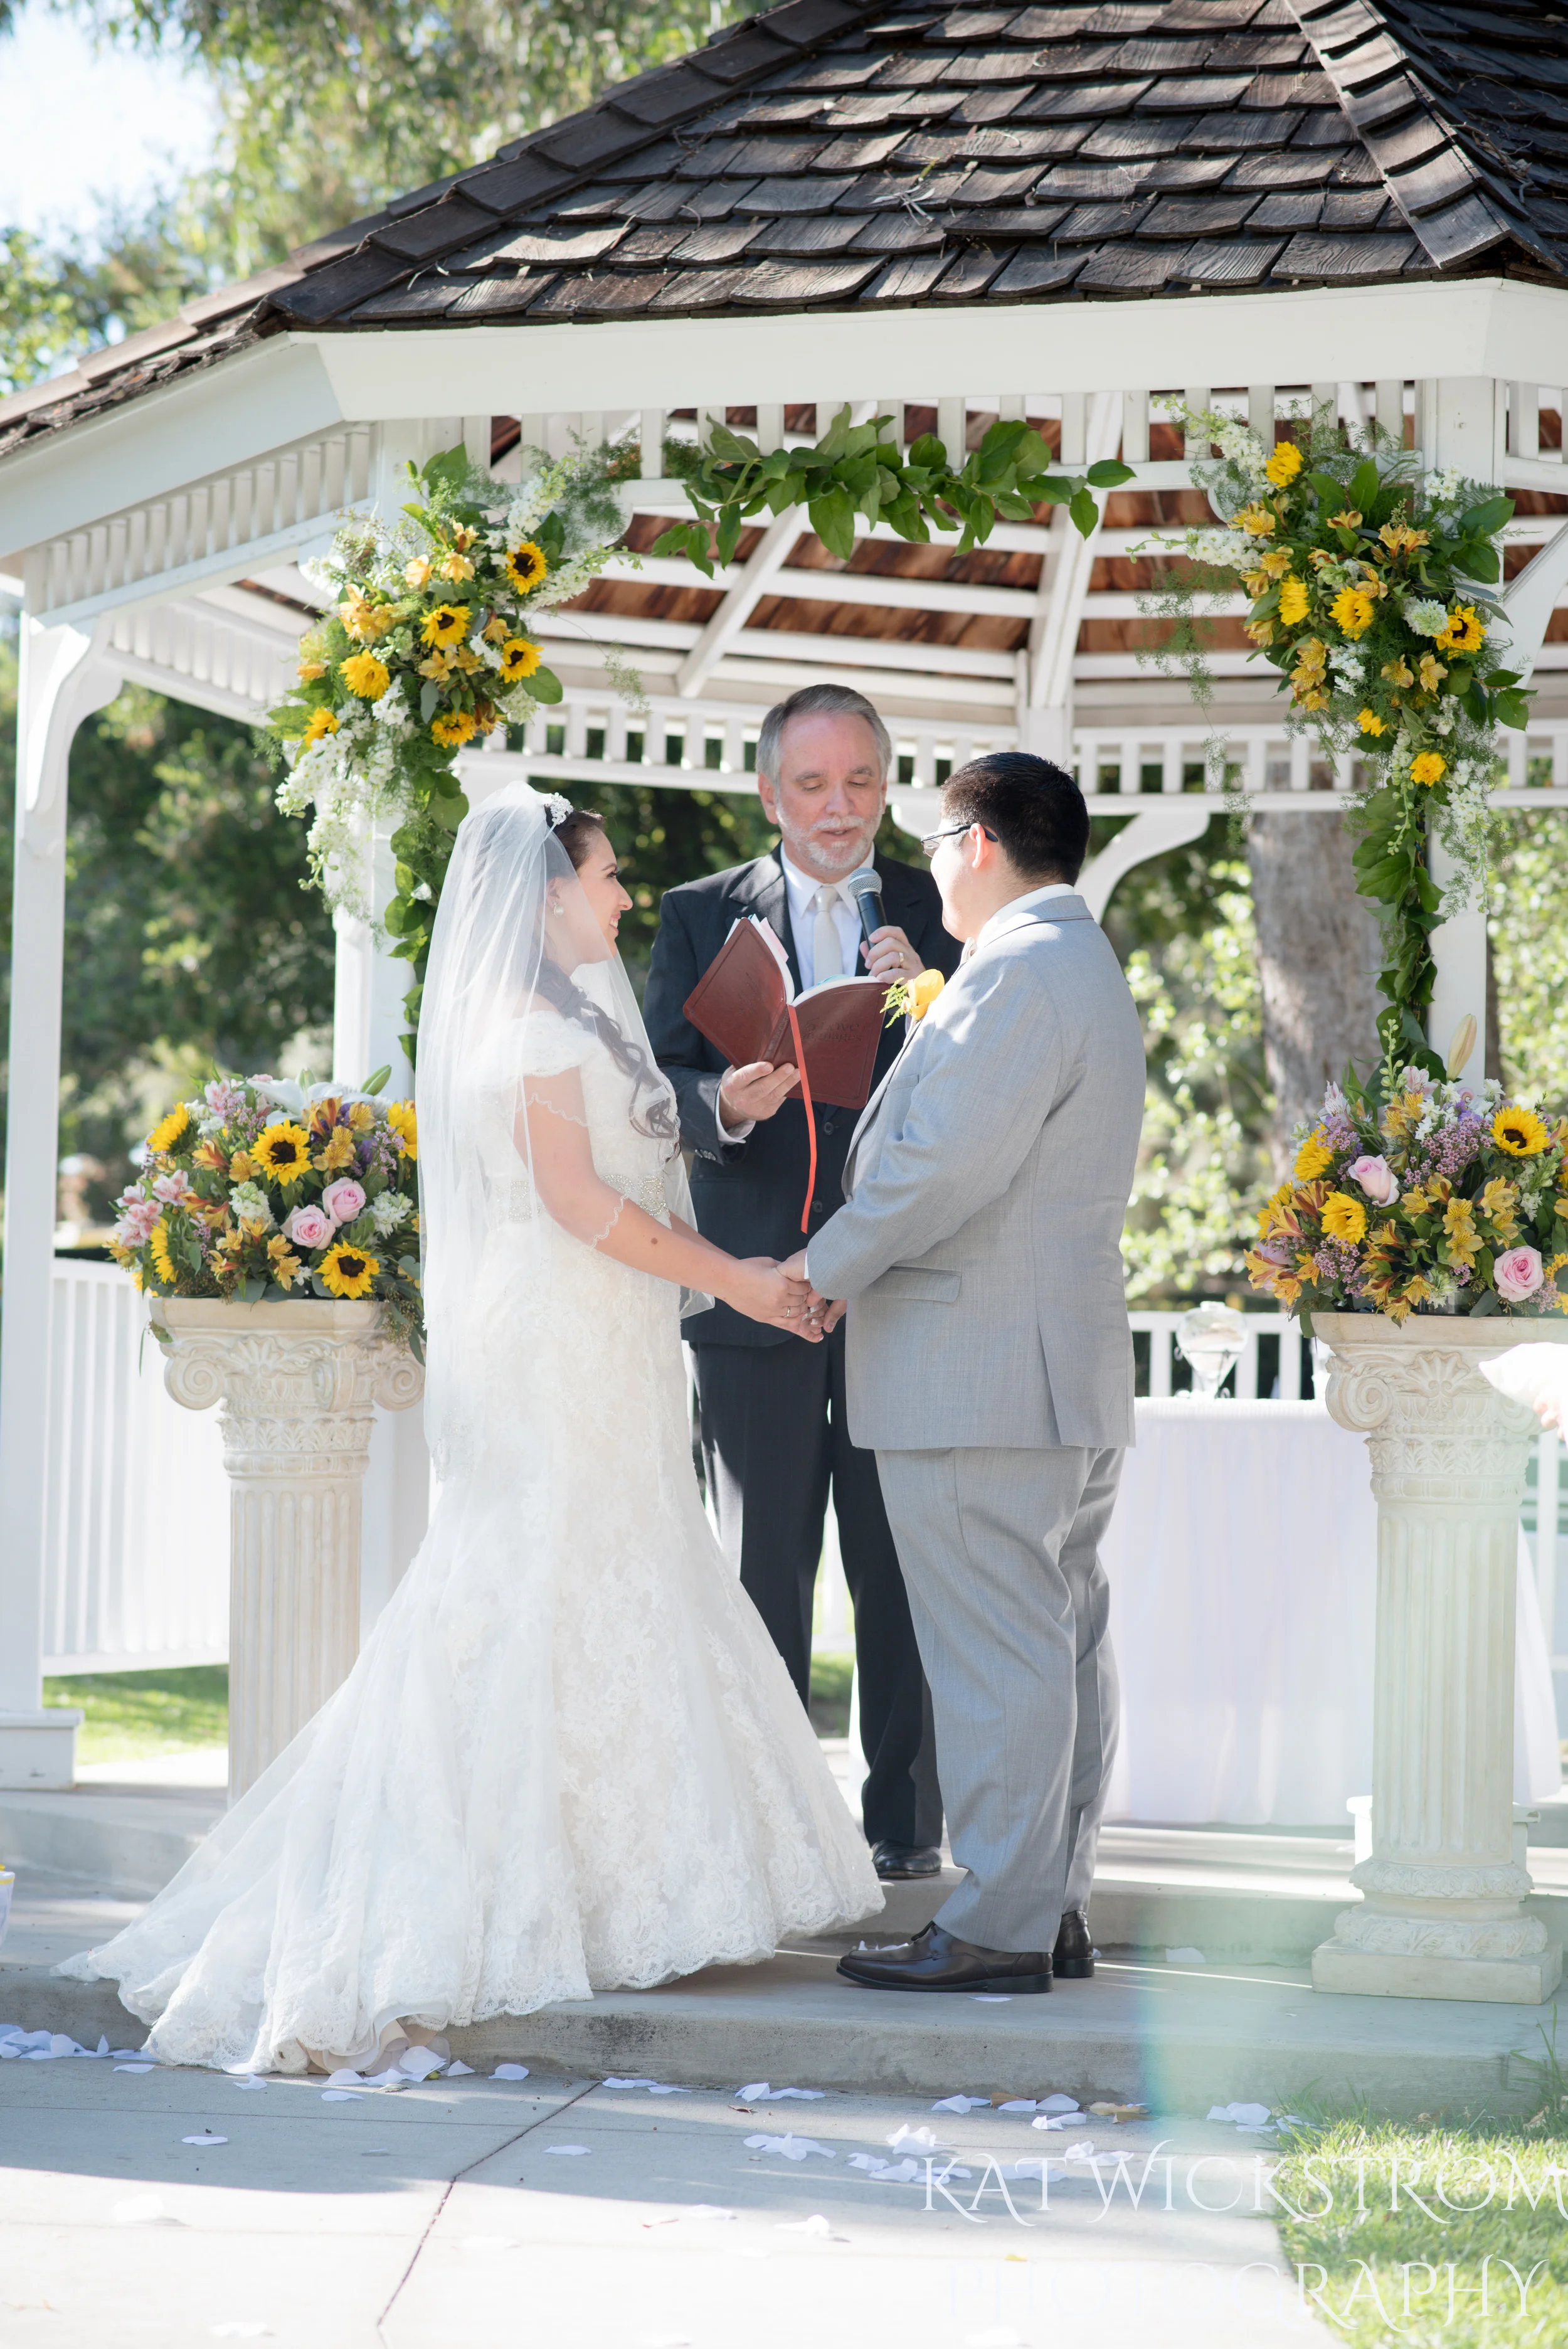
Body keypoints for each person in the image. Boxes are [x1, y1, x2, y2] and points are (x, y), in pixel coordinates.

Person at [59, 785, 881, 2072]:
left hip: (605, 1341)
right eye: (604, 877)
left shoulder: (573, 1018)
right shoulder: (527, 1034)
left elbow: (638, 1149)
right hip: (555, 1342)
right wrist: (735, 1281)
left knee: (615, 1572)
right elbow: (576, 1203)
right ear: (546, 892)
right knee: (529, 1580)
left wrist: (731, 1108)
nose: (618, 897)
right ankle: (476, 1889)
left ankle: (624, 1883)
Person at [791, 751, 1145, 1995]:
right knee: (1051, 1647)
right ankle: (1044, 1904)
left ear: (979, 842)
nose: (927, 859)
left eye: (935, 837)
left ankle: (997, 1921)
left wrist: (818, 1269)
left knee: (998, 1656)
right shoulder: (1069, 965)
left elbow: (938, 1167)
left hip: (975, 1367)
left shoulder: (1018, 975)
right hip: (1048, 1368)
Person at [644, 683, 961, 1882]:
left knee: (902, 1570)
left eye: (862, 782)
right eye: (814, 785)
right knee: (761, 1569)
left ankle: (906, 1832)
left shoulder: (945, 913)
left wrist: (931, 987)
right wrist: (722, 1102)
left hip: (899, 1293)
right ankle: (769, 1829)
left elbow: (990, 1094)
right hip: (753, 1290)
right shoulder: (696, 914)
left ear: (889, 787)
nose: (839, 808)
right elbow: (648, 1086)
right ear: (770, 792)